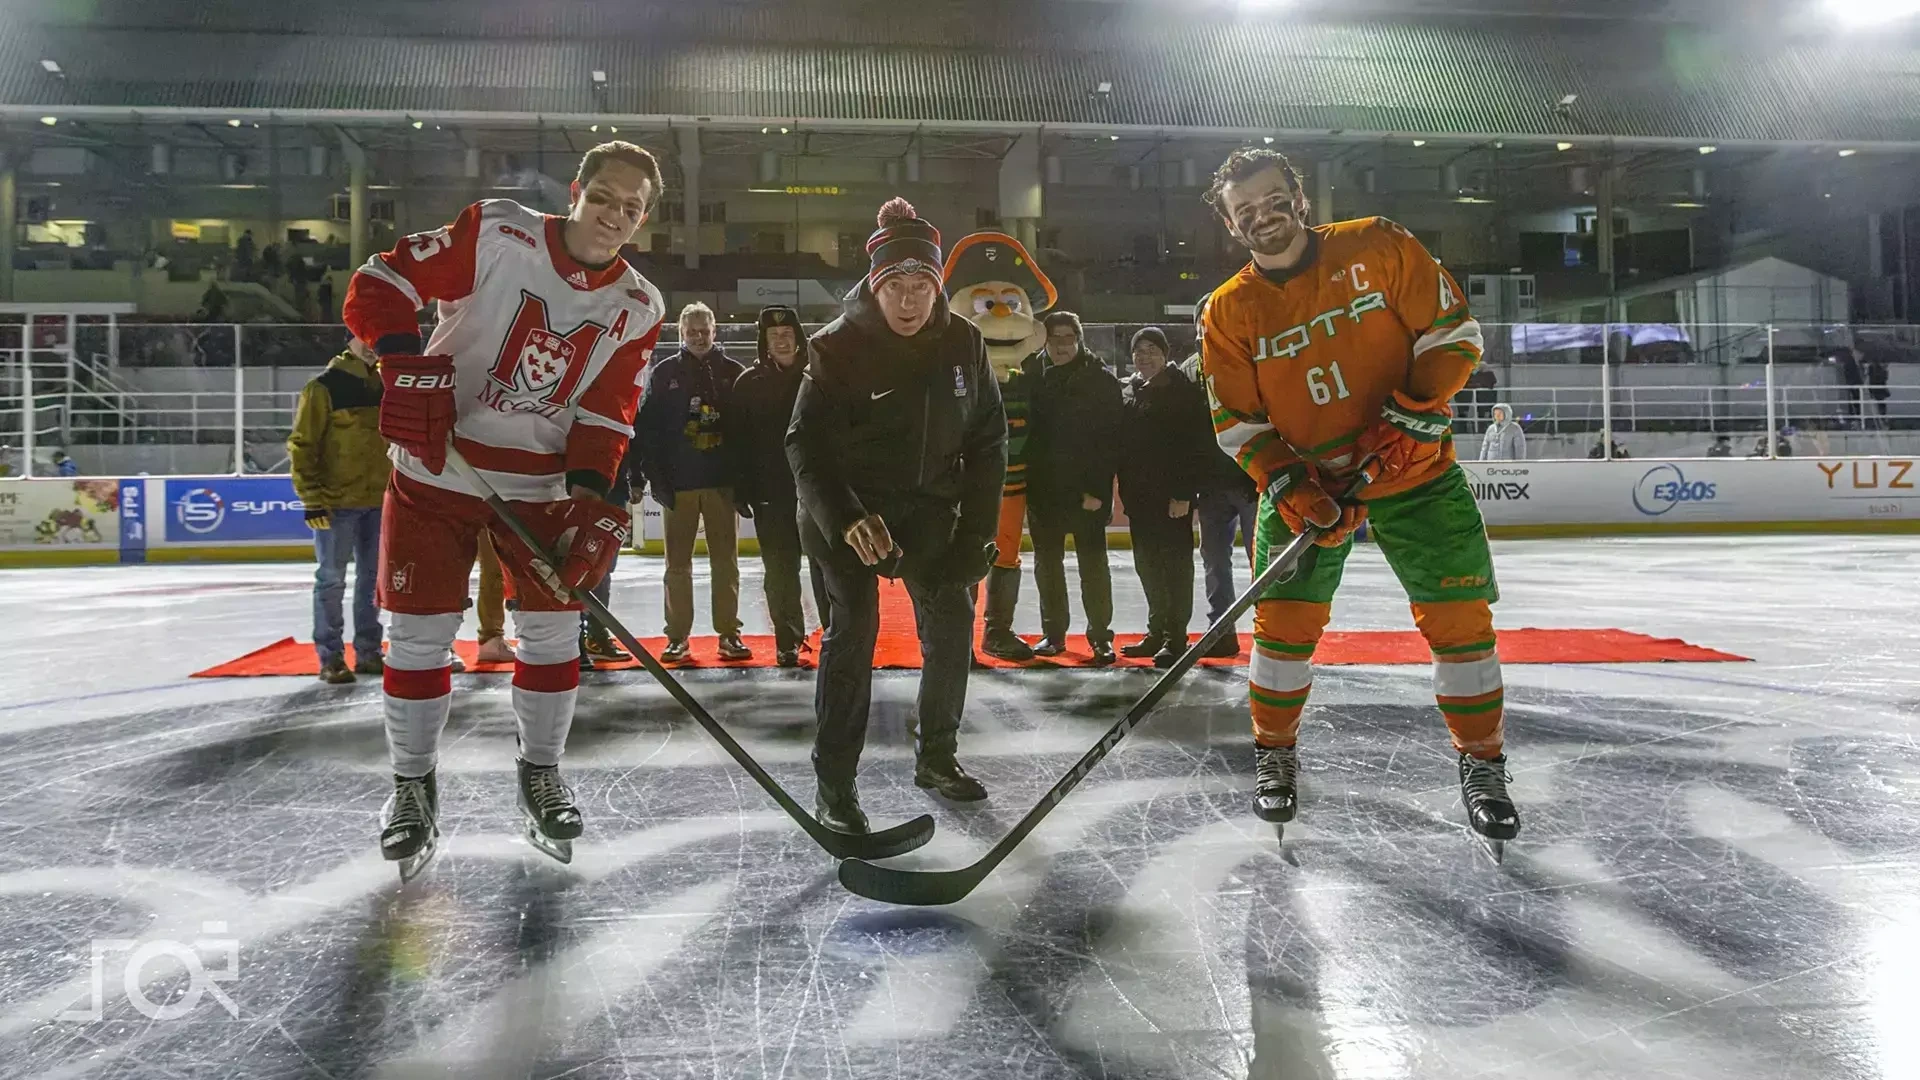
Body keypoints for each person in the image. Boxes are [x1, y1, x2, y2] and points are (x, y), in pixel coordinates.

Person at [343, 139, 667, 874]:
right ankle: (412, 785)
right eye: (605, 196)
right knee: (421, 637)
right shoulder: (499, 232)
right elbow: (380, 282)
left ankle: (541, 771)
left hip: (543, 484)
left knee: (554, 637)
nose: (615, 215)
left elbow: (610, 412)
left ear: (643, 219)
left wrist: (593, 498)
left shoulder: (639, 304)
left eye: (632, 208)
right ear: (577, 190)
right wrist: (403, 363)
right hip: (438, 466)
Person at [1199, 146, 1519, 850]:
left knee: (1461, 622)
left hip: (1418, 474)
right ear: (1231, 225)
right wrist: (1290, 485)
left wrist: (1414, 409)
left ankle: (1483, 765)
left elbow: (1455, 334)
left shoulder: (1378, 244)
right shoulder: (1228, 312)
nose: (1264, 216)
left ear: (1300, 195)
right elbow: (1239, 424)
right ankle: (1274, 755)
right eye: (1245, 210)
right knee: (1282, 633)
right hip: (1308, 490)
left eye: (1274, 197)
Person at [788, 197, 1006, 833]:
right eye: (896, 289)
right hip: (850, 512)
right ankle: (835, 785)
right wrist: (848, 518)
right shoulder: (837, 347)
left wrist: (978, 534)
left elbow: (988, 440)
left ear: (938, 286)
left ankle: (937, 756)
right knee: (852, 630)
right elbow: (804, 443)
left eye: (922, 287)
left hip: (929, 507)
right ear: (874, 287)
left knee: (952, 623)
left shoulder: (964, 341)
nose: (910, 303)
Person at [637, 302, 750, 662]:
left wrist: (744, 481)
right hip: (679, 485)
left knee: (726, 563)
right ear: (680, 333)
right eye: (692, 331)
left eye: (705, 330)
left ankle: (729, 633)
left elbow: (749, 431)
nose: (700, 337)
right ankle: (677, 637)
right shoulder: (663, 373)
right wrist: (653, 478)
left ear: (715, 331)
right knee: (677, 566)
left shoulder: (733, 372)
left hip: (721, 484)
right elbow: (648, 430)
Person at [730, 305, 830, 667]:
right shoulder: (748, 384)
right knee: (780, 570)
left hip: (818, 493)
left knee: (825, 565)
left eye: (788, 334)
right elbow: (736, 441)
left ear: (799, 338)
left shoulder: (819, 375)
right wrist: (741, 489)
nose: (782, 341)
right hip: (771, 493)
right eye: (774, 337)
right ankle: (788, 642)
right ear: (764, 342)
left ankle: (835, 635)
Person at [287, 337, 390, 684]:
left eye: (380, 338)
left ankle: (369, 652)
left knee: (372, 582)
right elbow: (302, 445)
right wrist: (311, 498)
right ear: (351, 338)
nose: (373, 346)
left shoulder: (386, 384)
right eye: (367, 338)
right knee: (331, 580)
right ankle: (330, 657)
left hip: (380, 502)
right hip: (335, 504)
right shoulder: (323, 388)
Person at [1022, 310, 1123, 664]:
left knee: (1093, 566)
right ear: (1044, 341)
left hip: (1087, 494)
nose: (1061, 346)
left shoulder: (1100, 380)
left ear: (1079, 339)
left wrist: (1097, 490)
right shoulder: (1030, 375)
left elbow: (1111, 442)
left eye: (1068, 338)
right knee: (1046, 566)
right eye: (1054, 339)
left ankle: (1100, 636)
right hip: (1043, 492)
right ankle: (1053, 634)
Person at [1116, 326, 1212, 668]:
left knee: (1174, 567)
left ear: (1165, 353)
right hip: (1140, 499)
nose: (1145, 357)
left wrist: (1185, 494)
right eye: (1139, 351)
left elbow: (1194, 447)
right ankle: (1156, 630)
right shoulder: (1132, 390)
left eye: (1152, 350)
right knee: (1148, 566)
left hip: (1172, 499)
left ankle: (1175, 637)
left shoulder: (1181, 391)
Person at [1182, 298, 1257, 660]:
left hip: (1253, 482)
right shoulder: (1188, 371)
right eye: (1202, 319)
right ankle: (1221, 631)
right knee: (1214, 559)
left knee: (1265, 560)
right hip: (1211, 486)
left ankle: (1271, 630)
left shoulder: (1251, 359)